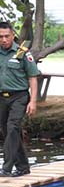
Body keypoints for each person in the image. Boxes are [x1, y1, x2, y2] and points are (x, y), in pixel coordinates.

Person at [0, 21, 39, 177]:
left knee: (13, 127)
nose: (3, 40)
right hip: (2, 97)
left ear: (13, 36)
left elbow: (33, 78)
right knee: (8, 132)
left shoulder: (23, 53)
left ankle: (6, 167)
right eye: (0, 37)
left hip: (19, 96)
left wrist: (33, 101)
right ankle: (23, 167)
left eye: (6, 36)